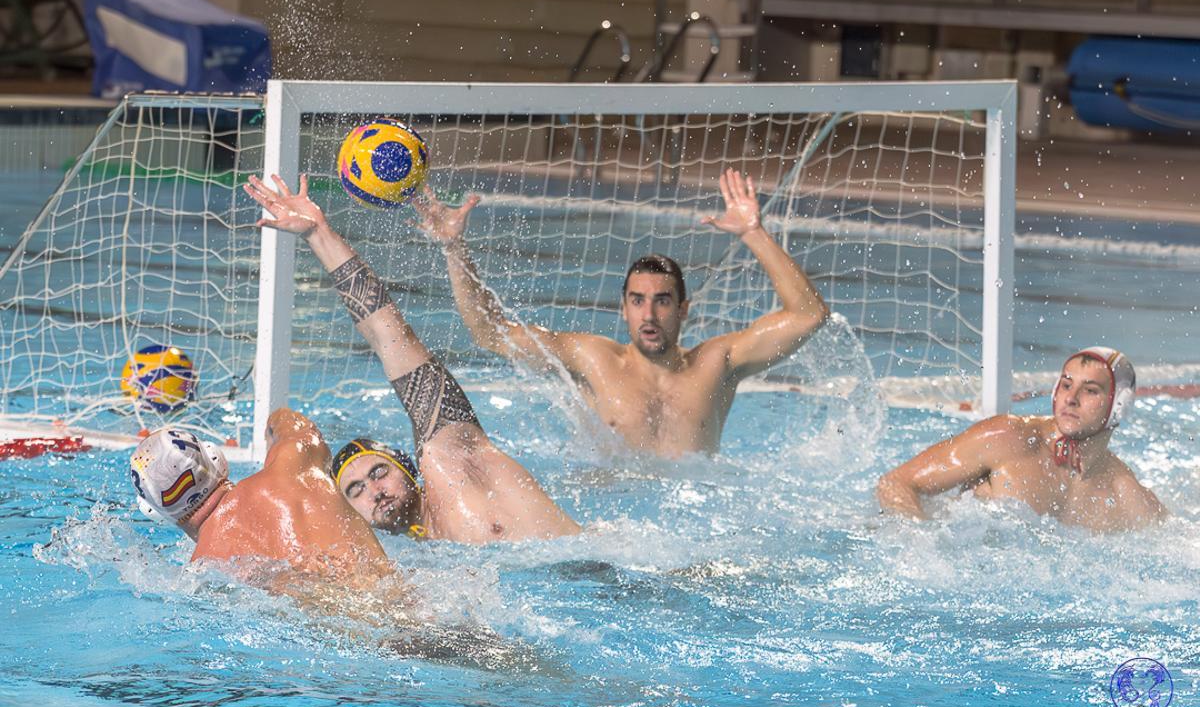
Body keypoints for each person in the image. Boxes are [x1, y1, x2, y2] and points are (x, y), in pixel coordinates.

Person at [243, 173, 580, 543]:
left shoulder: (452, 464)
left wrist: (318, 233)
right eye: (355, 491)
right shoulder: (423, 550)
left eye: (378, 474)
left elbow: (389, 335)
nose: (374, 492)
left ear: (409, 467)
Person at [411, 169, 830, 458]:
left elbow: (808, 315)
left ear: (683, 310)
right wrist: (454, 248)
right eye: (637, 300)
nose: (649, 314)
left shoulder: (717, 363)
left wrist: (753, 233)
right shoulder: (594, 360)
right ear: (624, 307)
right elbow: (489, 332)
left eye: (663, 301)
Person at [876, 347, 1167, 532]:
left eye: (1090, 390)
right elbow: (896, 483)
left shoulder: (1127, 496)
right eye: (1066, 385)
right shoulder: (1007, 438)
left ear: (1119, 405)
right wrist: (925, 545)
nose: (1071, 399)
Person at [129, 408, 391, 587]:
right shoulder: (294, 463)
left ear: (154, 512)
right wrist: (274, 436)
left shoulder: (202, 574)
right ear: (217, 457)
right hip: (411, 607)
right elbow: (292, 422)